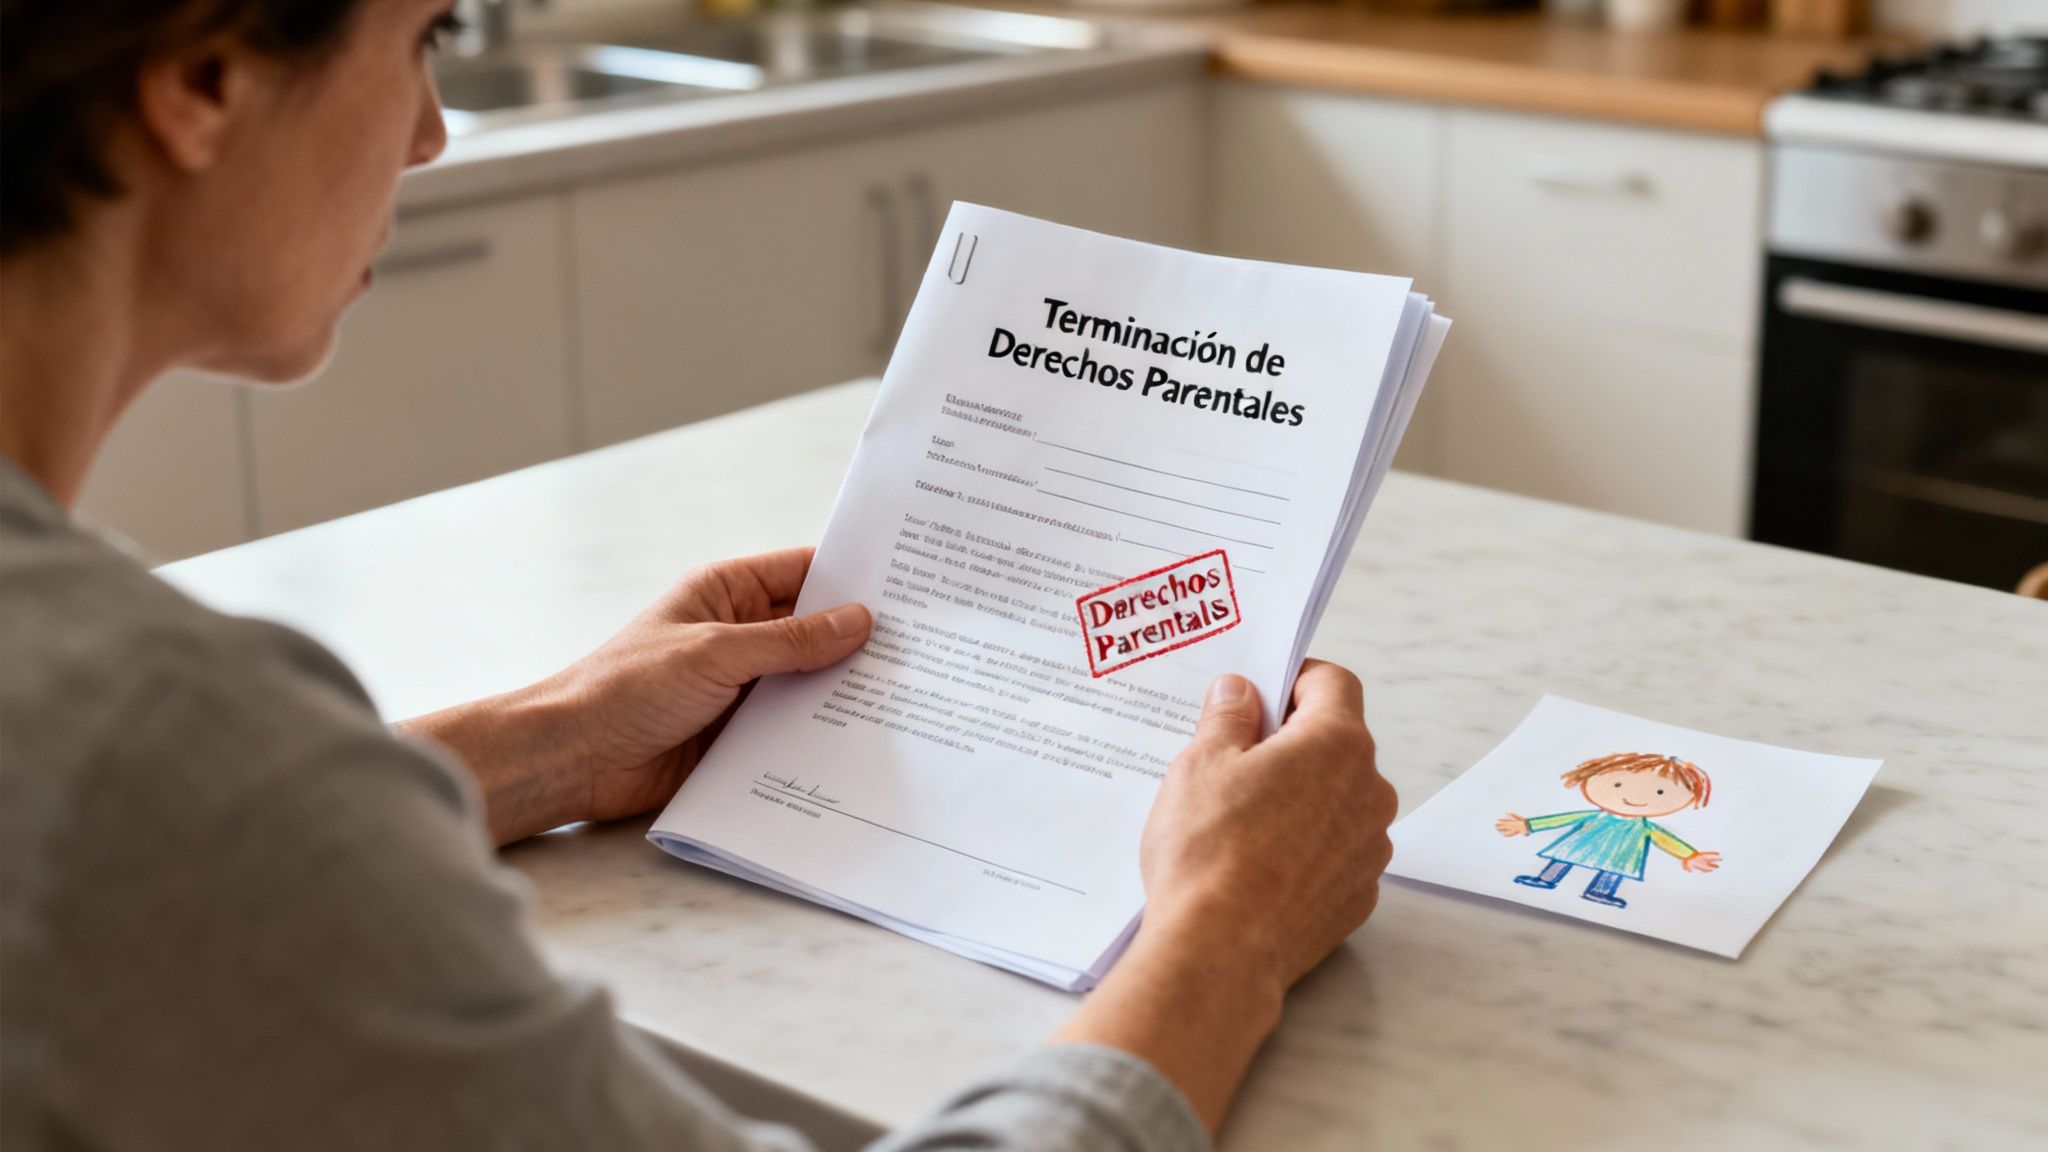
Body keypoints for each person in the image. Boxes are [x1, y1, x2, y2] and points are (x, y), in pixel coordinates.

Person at [0, 1, 1399, 1148]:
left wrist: (547, 745)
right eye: (426, 31)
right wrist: (1226, 930)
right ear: (204, 75)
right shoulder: (156, 747)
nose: (431, 131)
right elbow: (174, 821)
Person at [1495, 752, 1721, 909]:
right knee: (1564, 857)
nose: (1636, 797)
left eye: (1660, 793)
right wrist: (1528, 825)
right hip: (1585, 842)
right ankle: (1546, 879)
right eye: (1618, 785)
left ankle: (1600, 892)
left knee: (1615, 870)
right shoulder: (1595, 816)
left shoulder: (1644, 827)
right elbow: (1565, 819)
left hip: (1623, 851)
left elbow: (1663, 839)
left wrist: (1689, 855)